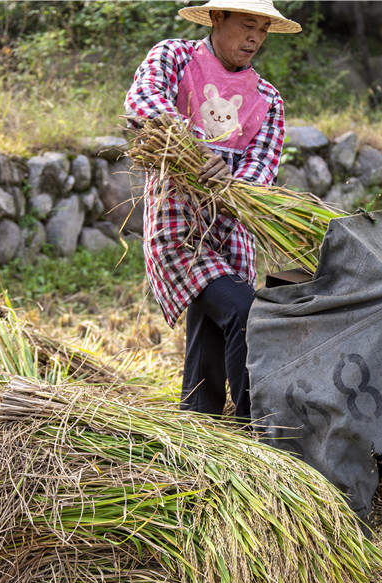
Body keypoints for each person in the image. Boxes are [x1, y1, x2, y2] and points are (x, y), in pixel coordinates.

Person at [124, 1, 301, 422]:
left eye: (263, 29)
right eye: (247, 25)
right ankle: (256, 433)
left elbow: (261, 168)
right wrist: (193, 145)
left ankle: (196, 428)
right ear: (218, 19)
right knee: (246, 313)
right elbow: (143, 100)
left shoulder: (267, 99)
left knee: (211, 333)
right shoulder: (176, 57)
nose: (255, 37)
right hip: (180, 228)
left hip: (232, 234)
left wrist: (232, 182)